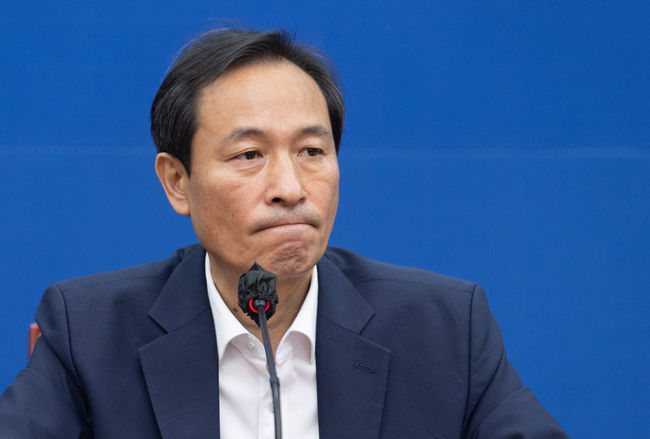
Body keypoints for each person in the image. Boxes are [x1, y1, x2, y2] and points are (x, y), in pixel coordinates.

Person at [0, 27, 569, 438]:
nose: (290, 188)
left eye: (312, 151)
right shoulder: (89, 334)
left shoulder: (444, 330)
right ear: (177, 182)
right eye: (249, 154)